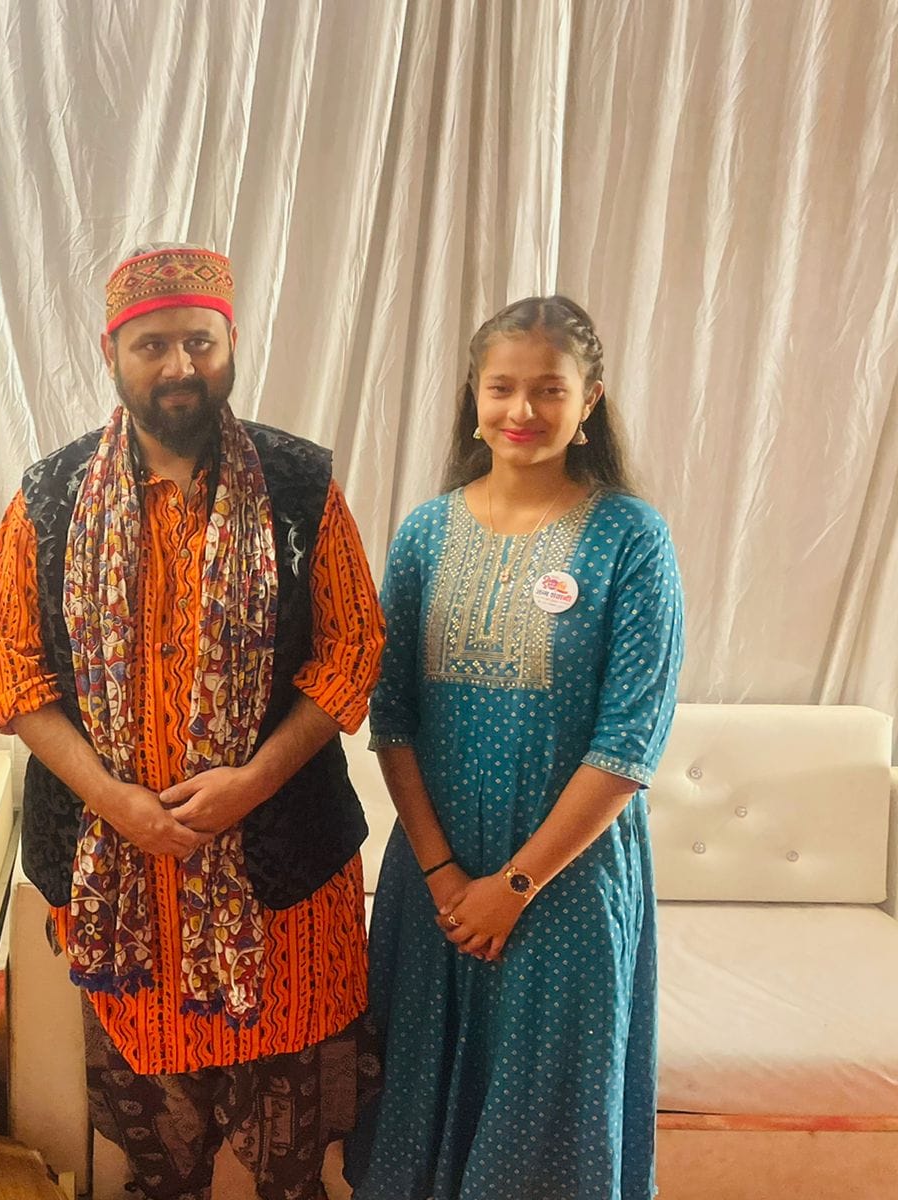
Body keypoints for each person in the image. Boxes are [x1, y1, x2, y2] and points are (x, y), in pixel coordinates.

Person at [0, 244, 385, 1199]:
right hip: (120, 881)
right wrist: (115, 800)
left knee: (293, 1163)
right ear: (110, 351)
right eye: (152, 344)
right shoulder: (47, 499)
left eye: (199, 342)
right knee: (158, 1166)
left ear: (231, 343)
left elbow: (353, 651)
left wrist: (253, 782)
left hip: (283, 879)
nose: (179, 365)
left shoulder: (301, 488)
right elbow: (15, 678)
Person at [345, 296, 685, 1200]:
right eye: (501, 388)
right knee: (413, 1106)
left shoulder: (631, 538)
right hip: (435, 886)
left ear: (589, 402)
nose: (521, 410)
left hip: (565, 887)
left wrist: (514, 887)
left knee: (542, 1132)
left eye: (549, 390)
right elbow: (393, 718)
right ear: (474, 397)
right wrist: (444, 876)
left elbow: (628, 744)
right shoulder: (426, 532)